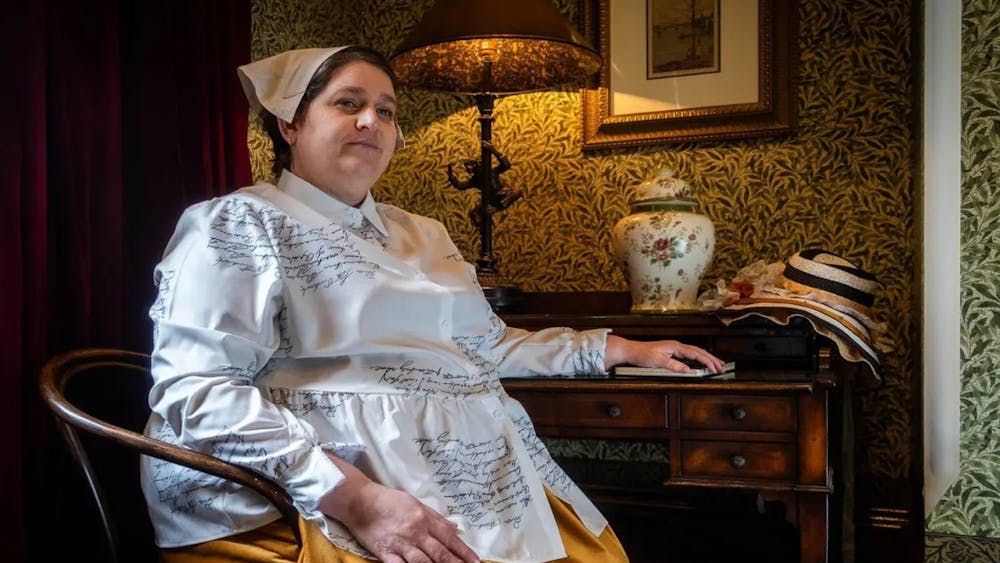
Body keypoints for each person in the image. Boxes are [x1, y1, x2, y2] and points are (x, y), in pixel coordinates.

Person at [142, 45, 726, 563]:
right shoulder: (237, 223)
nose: (372, 120)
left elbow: (485, 347)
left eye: (387, 110)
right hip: (317, 482)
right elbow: (196, 389)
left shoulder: (424, 234)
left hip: (467, 473)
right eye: (348, 103)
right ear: (290, 123)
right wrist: (356, 497)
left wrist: (617, 347)